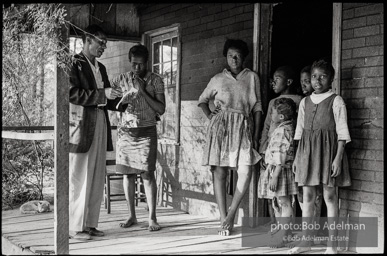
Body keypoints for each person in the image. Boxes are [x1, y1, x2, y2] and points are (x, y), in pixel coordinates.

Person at [198, 39, 263, 236]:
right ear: (225, 57)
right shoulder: (218, 78)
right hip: (220, 127)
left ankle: (231, 213)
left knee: (245, 170)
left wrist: (257, 135)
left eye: (237, 56)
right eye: (230, 56)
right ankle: (222, 218)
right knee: (220, 172)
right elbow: (202, 100)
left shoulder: (251, 77)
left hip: (243, 126)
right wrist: (211, 116)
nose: (234, 59)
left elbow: (257, 108)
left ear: (244, 57)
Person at [288, 59, 351, 254]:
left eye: (322, 76)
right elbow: (299, 133)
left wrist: (338, 159)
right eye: (314, 76)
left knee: (329, 197)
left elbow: (342, 132)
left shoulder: (336, 100)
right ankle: (305, 242)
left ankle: (332, 246)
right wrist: (298, 158)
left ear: (331, 79)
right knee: (307, 195)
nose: (317, 80)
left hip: (328, 153)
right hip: (307, 153)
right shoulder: (305, 102)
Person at [69, 24, 123, 240]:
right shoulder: (74, 63)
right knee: (79, 176)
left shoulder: (100, 68)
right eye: (100, 42)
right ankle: (74, 227)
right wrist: (103, 94)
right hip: (82, 126)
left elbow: (107, 98)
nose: (104, 47)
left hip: (101, 123)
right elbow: (72, 93)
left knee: (97, 176)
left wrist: (122, 98)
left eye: (106, 44)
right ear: (87, 40)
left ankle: (90, 224)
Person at [110, 44, 165, 231]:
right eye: (134, 64)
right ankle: (131, 216)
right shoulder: (120, 80)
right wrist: (122, 102)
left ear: (147, 63)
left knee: (148, 174)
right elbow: (112, 107)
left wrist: (143, 92)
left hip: (147, 131)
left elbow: (161, 109)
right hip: (126, 132)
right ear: (129, 61)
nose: (137, 68)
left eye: (141, 65)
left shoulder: (156, 80)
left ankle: (152, 218)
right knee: (128, 174)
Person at [258, 66, 302, 230]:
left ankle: (285, 232)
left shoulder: (284, 130)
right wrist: (264, 152)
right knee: (277, 200)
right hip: (275, 163)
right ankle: (280, 229)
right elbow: (267, 128)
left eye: (277, 78)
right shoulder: (280, 126)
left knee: (285, 201)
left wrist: (275, 172)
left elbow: (282, 152)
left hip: (281, 167)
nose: (272, 82)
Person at [259, 98, 298, 248]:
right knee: (281, 202)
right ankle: (285, 233)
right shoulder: (287, 128)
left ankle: (282, 236)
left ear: (281, 117)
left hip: (280, 171)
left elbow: (280, 155)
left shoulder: (282, 131)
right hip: (278, 170)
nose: (271, 115)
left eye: (273, 112)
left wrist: (274, 175)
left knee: (285, 203)